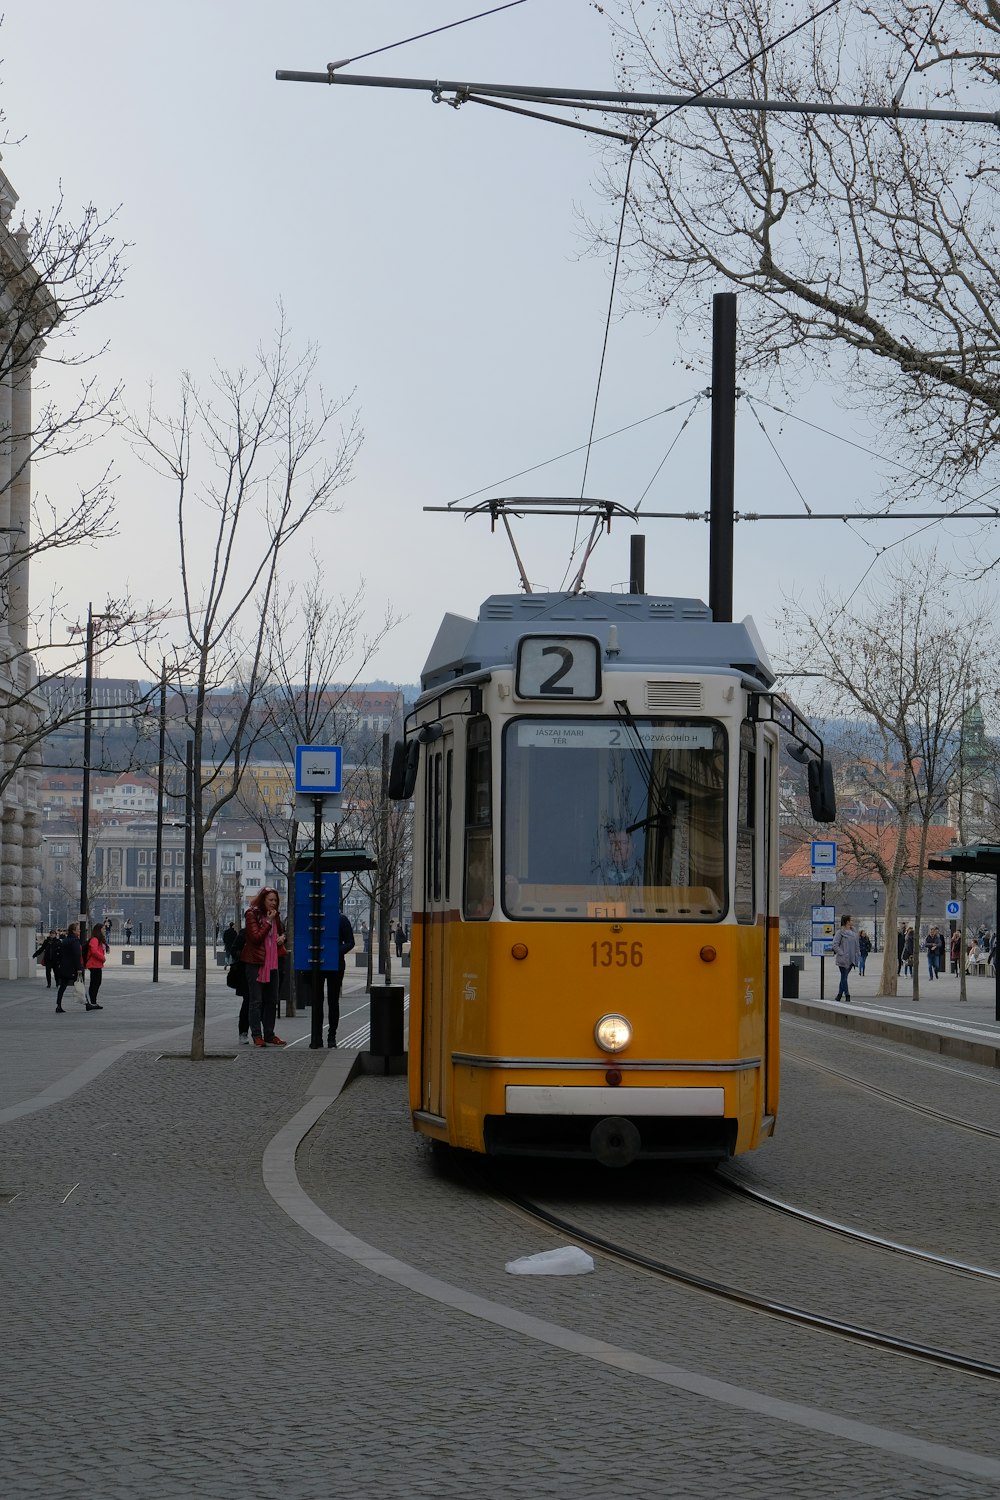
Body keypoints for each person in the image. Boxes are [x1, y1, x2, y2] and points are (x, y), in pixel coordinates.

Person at [300, 913, 356, 1048]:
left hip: (334, 964)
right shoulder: (316, 917)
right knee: (318, 1001)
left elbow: (350, 942)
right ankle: (317, 1036)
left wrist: (333, 952)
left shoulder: (341, 919)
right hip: (320, 965)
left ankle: (331, 1036)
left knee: (332, 1001)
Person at [240, 888, 287, 1048]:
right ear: (262, 900)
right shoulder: (251, 914)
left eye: (275, 901)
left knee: (272, 1000)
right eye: (270, 900)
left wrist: (282, 938)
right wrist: (267, 922)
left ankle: (269, 1034)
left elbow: (280, 933)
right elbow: (255, 938)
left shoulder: (275, 916)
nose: (273, 903)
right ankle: (257, 1035)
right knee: (256, 1001)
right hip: (256, 963)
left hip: (273, 962)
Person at [53, 924, 83, 1013]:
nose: (80, 931)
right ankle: (87, 1003)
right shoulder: (75, 941)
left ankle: (58, 1004)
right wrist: (79, 968)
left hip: (64, 967)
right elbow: (77, 955)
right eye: (78, 929)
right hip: (72, 968)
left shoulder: (65, 941)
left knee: (62, 986)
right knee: (80, 984)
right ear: (73, 931)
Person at [831, 913, 859, 1003]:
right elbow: (835, 945)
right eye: (851, 920)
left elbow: (856, 945)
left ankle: (839, 995)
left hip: (852, 958)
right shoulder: (840, 932)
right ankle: (847, 995)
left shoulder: (854, 933)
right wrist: (841, 953)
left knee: (844, 977)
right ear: (847, 922)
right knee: (844, 977)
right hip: (843, 959)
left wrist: (857, 954)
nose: (853, 921)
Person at [83, 923, 107, 1009]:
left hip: (97, 964)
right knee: (95, 983)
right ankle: (92, 1002)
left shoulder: (99, 939)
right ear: (99, 930)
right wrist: (102, 958)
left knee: (97, 983)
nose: (104, 930)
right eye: (103, 929)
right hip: (94, 964)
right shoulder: (94, 939)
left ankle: (93, 1001)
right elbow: (93, 951)